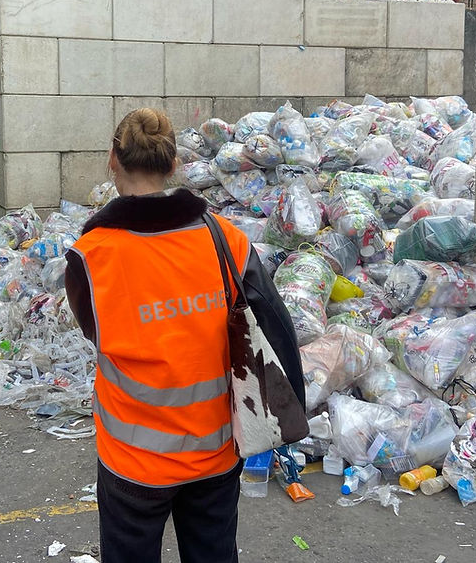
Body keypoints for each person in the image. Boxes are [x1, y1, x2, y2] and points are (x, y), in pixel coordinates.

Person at [64, 108, 305, 563]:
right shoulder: (225, 239)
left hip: (133, 461)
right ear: (174, 164)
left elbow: (98, 335)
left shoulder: (89, 258)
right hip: (215, 451)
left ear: (112, 159)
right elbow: (273, 323)